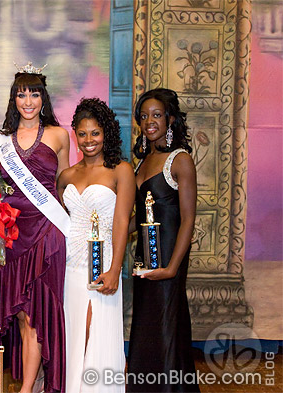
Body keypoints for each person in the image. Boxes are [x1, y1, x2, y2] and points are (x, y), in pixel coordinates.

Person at [0, 64, 70, 393]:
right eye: (21, 94)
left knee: (35, 315)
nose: (28, 100)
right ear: (13, 99)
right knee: (16, 314)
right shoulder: (0, 140)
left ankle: (28, 388)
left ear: (44, 98)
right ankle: (32, 381)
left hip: (48, 232)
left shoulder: (59, 134)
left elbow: (66, 184)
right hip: (13, 234)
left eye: (34, 93)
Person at [57, 98, 134, 392]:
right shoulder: (66, 176)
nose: (89, 140)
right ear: (75, 135)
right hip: (69, 265)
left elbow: (122, 222)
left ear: (107, 133)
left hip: (102, 265)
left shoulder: (120, 170)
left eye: (95, 133)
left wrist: (115, 268)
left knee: (96, 331)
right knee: (74, 332)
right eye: (83, 133)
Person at [127, 88, 199, 392]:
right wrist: (107, 230)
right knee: (145, 326)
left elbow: (188, 219)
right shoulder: (141, 162)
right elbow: (136, 219)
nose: (149, 122)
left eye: (156, 115)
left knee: (167, 326)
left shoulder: (179, 160)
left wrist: (172, 268)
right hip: (145, 257)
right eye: (143, 116)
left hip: (170, 256)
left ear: (169, 119)